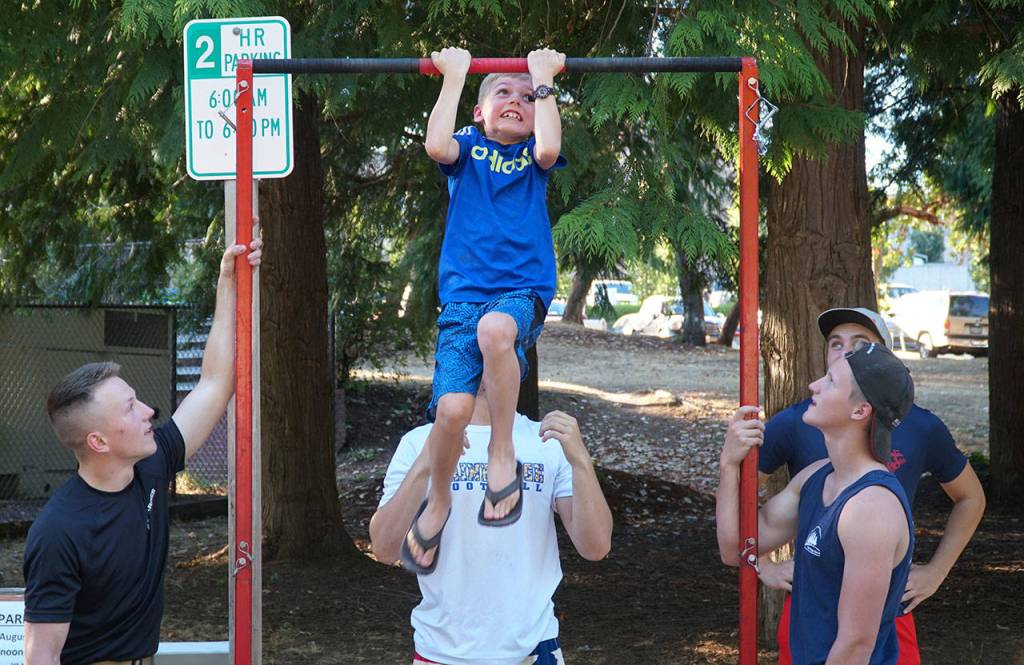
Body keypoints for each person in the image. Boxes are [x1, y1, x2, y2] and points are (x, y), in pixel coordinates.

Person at [22, 239, 262, 665]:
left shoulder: (151, 464)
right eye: (131, 408)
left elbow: (214, 384)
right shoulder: (58, 532)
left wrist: (227, 281)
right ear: (98, 442)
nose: (150, 411)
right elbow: (41, 656)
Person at [405, 46, 568, 574]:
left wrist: (542, 80)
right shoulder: (468, 150)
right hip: (462, 295)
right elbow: (435, 144)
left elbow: (548, 147)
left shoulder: (534, 159)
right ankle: (440, 498)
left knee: (497, 331)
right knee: (451, 413)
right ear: (479, 111)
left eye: (526, 97)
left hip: (522, 289)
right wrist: (454, 76)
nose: (516, 101)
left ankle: (503, 455)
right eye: (503, 92)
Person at [744, 308, 986, 664]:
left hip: (885, 603)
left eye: (861, 344)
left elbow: (971, 498)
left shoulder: (920, 426)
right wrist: (762, 563)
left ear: (883, 357)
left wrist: (936, 571)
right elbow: (744, 493)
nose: (845, 353)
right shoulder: (800, 419)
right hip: (813, 595)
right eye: (836, 344)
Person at [369, 389, 612, 665]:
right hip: (442, 651)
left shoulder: (546, 440)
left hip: (533, 649)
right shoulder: (418, 443)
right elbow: (385, 549)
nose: (481, 350)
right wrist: (427, 461)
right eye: (470, 344)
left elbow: (596, 546)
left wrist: (580, 461)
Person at [718, 342, 917, 664]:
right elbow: (737, 548)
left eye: (831, 381)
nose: (814, 385)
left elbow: (855, 646)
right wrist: (729, 465)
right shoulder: (816, 476)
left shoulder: (870, 509)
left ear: (860, 411)